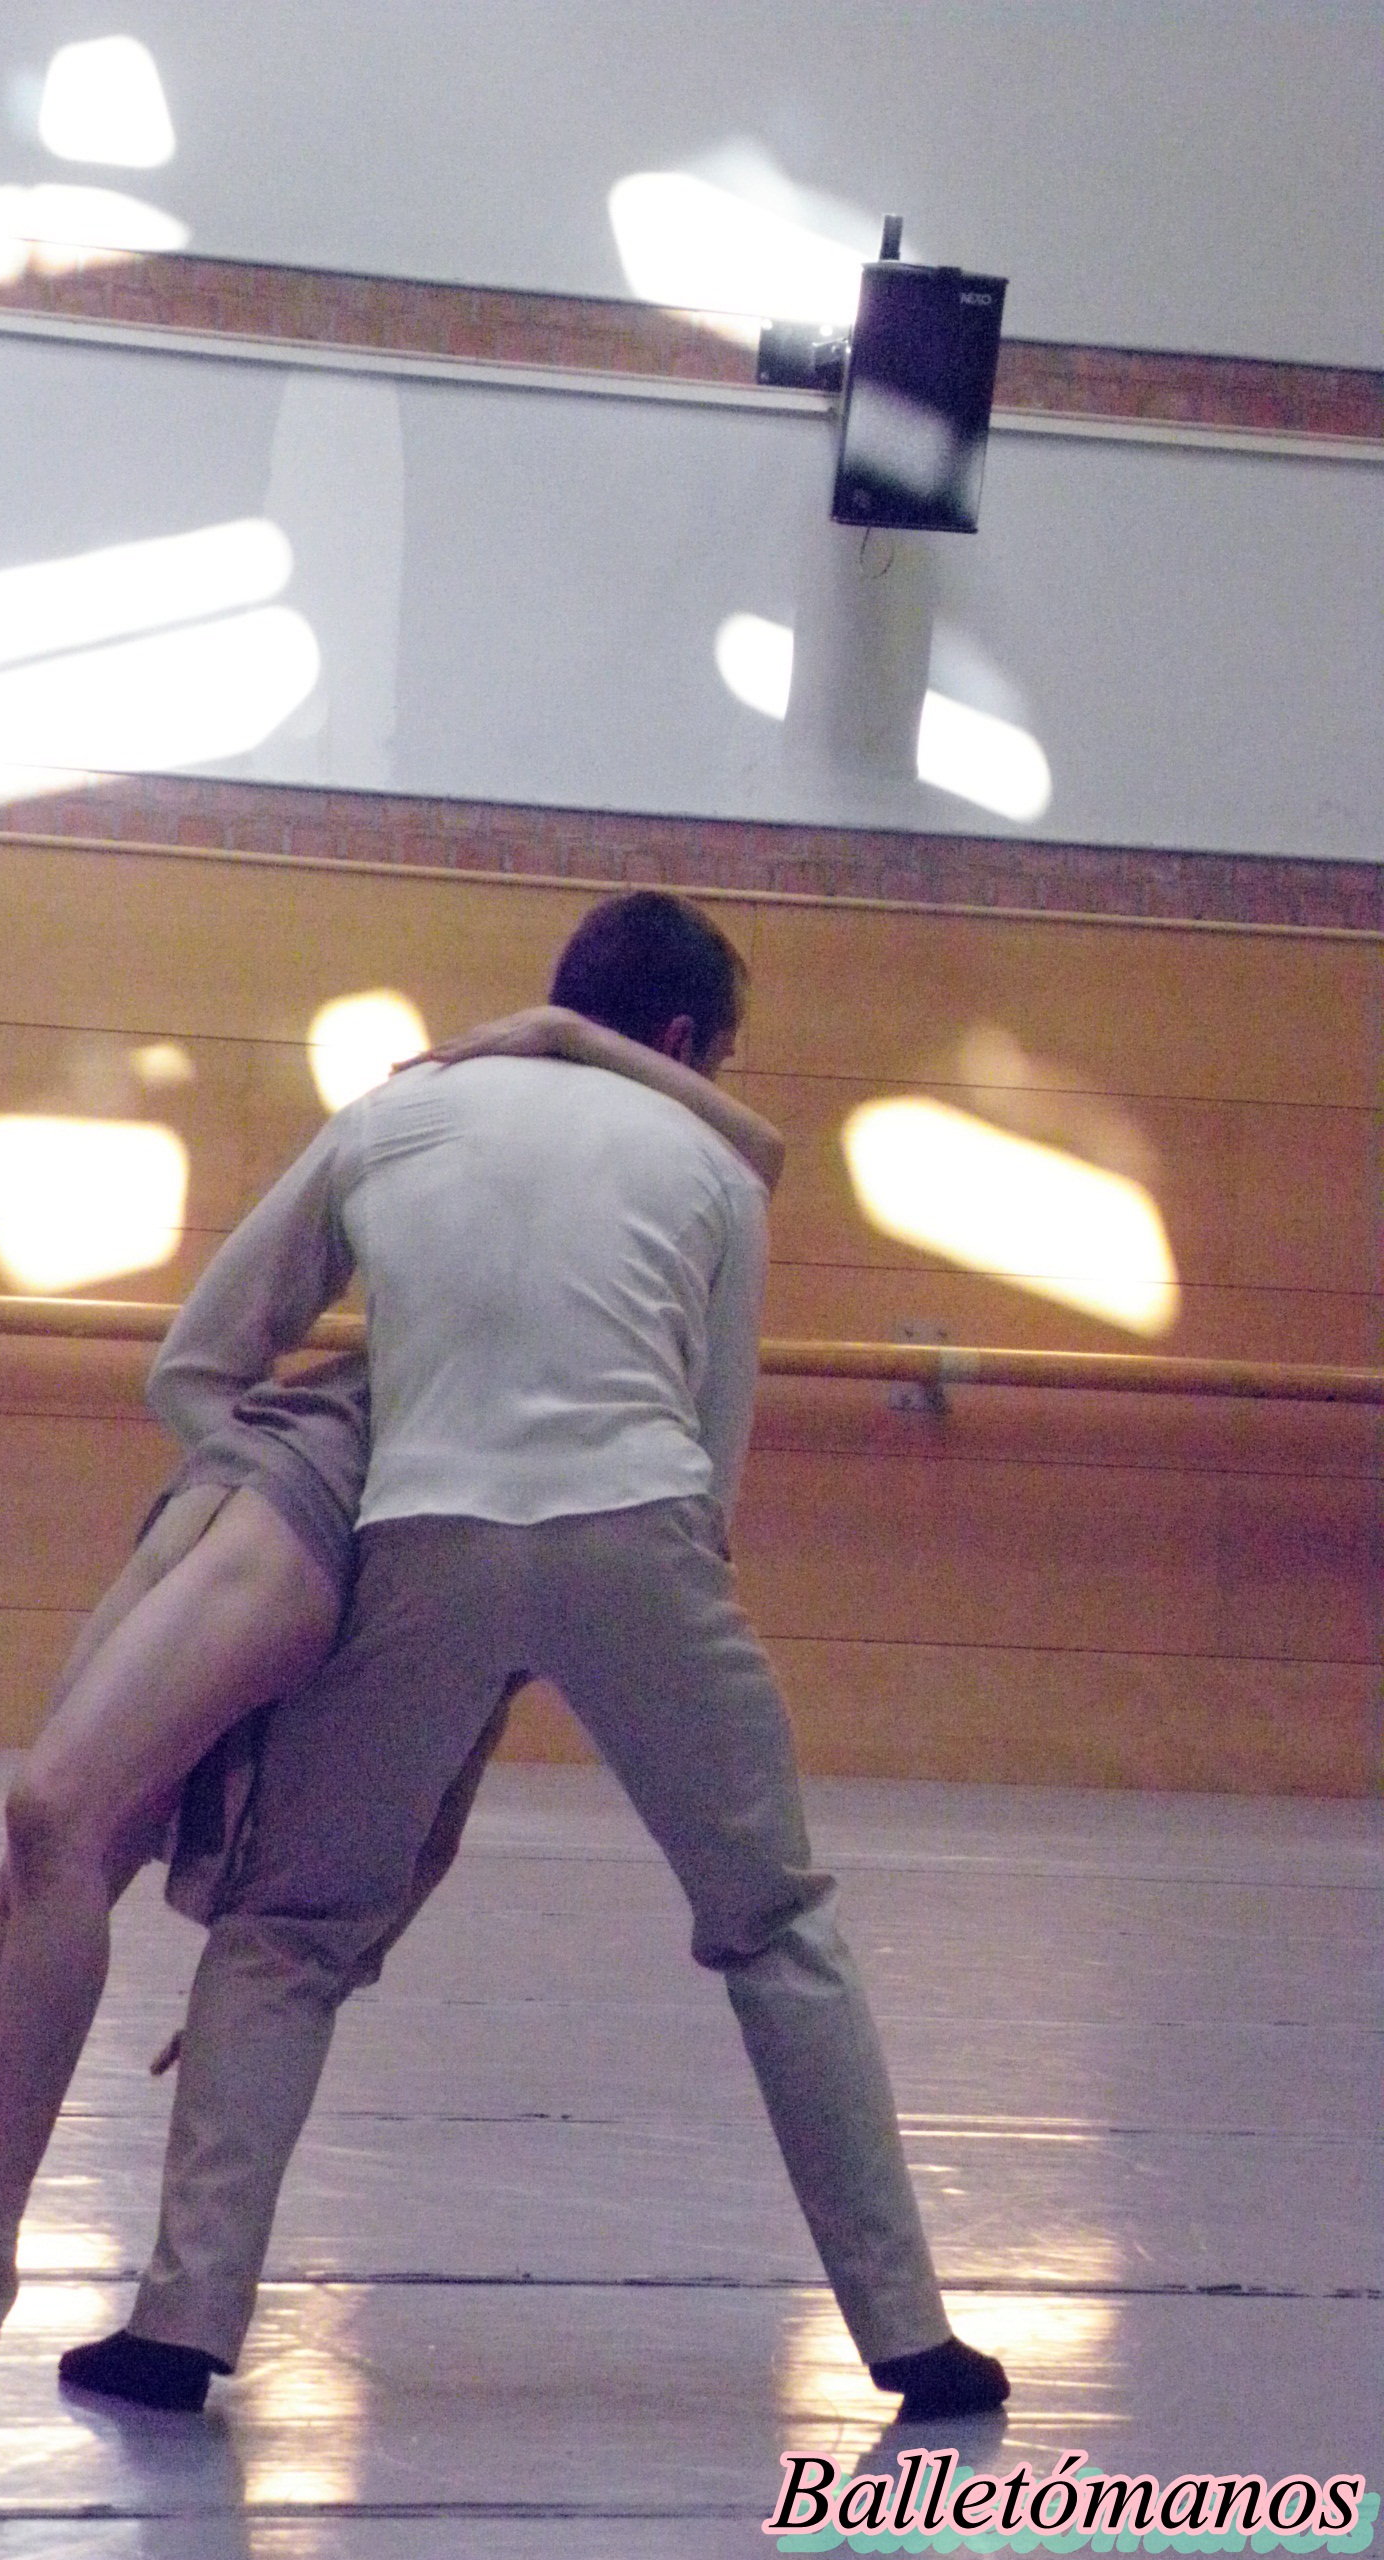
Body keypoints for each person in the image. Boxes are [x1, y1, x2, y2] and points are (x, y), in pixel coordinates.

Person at [0, 984, 786, 2444]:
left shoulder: (547, 1163)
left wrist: (561, 1032)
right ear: (685, 1046)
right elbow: (200, 1370)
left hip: (330, 1501)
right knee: (34, 1887)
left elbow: (224, 1390)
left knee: (51, 1821)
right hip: (292, 1478)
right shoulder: (530, 1145)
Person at [57, 890, 1008, 2429]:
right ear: (687, 1040)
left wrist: (302, 1517)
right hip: (644, 1537)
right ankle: (912, 2340)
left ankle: (178, 2328)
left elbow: (197, 1367)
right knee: (777, 1926)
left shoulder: (393, 1117)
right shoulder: (713, 1162)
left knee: (287, 1932)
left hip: (415, 1537)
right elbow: (711, 1465)